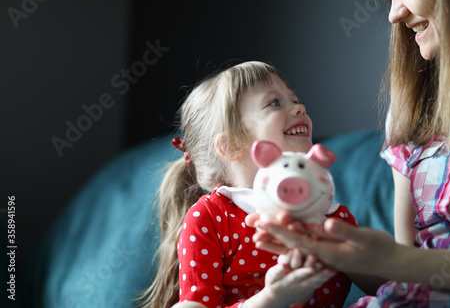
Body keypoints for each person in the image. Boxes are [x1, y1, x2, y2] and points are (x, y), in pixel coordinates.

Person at [246, 0, 450, 306]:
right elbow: (407, 269)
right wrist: (340, 256)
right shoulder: (412, 107)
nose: (394, 13)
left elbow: (403, 261)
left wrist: (391, 260)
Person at [138, 61, 358, 308]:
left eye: (294, 99)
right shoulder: (210, 217)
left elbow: (390, 288)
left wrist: (350, 254)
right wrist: (272, 299)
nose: (300, 108)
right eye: (275, 102)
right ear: (230, 145)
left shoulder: (333, 218)